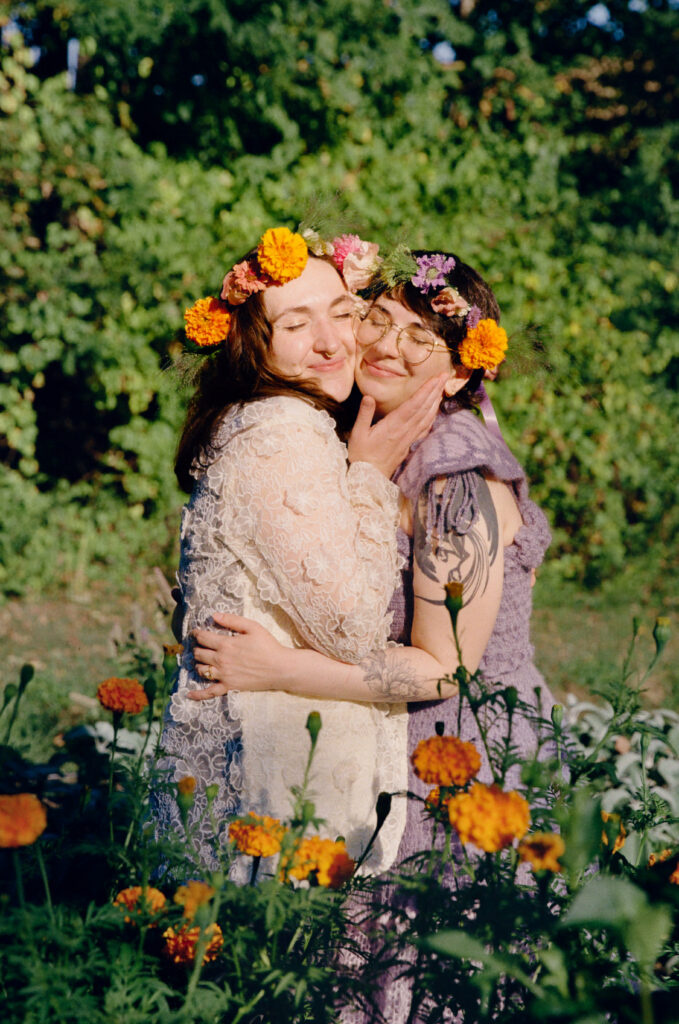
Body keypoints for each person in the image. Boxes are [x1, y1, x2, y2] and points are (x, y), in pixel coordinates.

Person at [189, 246, 555, 857]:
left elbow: (445, 670)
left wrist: (279, 668)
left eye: (419, 337)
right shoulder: (361, 434)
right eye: (378, 318)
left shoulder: (454, 481)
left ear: (459, 375)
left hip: (460, 765)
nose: (386, 345)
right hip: (383, 755)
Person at [153, 227, 449, 876]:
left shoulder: (264, 419)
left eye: (342, 314)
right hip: (273, 778)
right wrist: (369, 474)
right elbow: (353, 628)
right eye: (295, 324)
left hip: (247, 759)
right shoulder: (282, 433)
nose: (331, 342)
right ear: (251, 343)